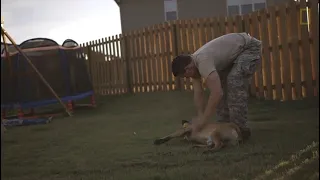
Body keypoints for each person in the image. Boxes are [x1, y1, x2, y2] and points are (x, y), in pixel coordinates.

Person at [171, 32, 262, 141]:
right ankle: (224, 128)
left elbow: (216, 93)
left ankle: (241, 130)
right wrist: (200, 115)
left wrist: (204, 120)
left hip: (249, 48)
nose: (186, 79)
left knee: (233, 81)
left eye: (184, 76)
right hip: (234, 56)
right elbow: (198, 93)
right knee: (222, 85)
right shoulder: (194, 64)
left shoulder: (203, 61)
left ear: (188, 68)